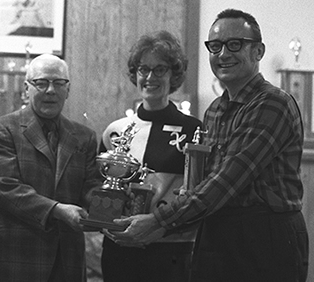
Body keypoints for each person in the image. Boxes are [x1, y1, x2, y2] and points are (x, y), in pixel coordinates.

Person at [109, 9, 309, 282]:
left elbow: (226, 181)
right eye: (215, 46)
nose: (223, 54)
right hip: (217, 232)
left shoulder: (273, 103)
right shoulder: (215, 110)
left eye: (235, 44)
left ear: (258, 51)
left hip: (265, 236)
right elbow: (204, 182)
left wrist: (159, 221)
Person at [99, 30, 202, 282]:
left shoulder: (194, 130)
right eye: (143, 69)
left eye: (160, 69)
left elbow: (199, 194)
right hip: (119, 247)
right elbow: (99, 186)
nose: (150, 77)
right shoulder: (115, 130)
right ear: (135, 74)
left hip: (170, 250)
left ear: (174, 74)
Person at [0, 54, 99, 282]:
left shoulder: (85, 137)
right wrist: (57, 209)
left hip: (68, 260)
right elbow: (5, 188)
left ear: (68, 90)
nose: (50, 90)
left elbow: (91, 186)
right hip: (16, 258)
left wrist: (110, 204)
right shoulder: (1, 129)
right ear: (26, 88)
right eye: (41, 82)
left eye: (59, 83)